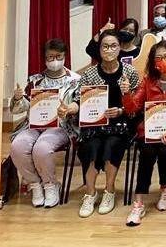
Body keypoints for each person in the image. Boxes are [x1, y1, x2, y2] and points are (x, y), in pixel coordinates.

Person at [121, 40, 166, 226]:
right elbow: (133, 108)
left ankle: (165, 188)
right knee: (147, 151)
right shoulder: (148, 80)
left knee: (165, 150)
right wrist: (126, 93)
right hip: (150, 130)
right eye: (158, 58)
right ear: (153, 62)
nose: (163, 60)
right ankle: (138, 203)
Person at [71, 29, 141, 218]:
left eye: (113, 46)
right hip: (95, 122)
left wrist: (121, 109)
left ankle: (109, 190)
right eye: (105, 46)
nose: (109, 50)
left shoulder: (130, 72)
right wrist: (70, 108)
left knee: (112, 144)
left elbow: (137, 104)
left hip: (121, 123)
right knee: (90, 147)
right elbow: (79, 100)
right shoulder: (90, 73)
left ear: (120, 48)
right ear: (99, 49)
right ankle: (90, 193)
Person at [9, 39, 80, 209]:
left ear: (65, 56)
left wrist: (69, 109)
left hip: (61, 125)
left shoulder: (75, 80)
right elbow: (23, 107)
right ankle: (35, 184)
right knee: (17, 146)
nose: (55, 60)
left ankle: (50, 184)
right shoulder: (35, 80)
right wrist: (18, 98)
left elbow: (79, 103)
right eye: (50, 57)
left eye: (58, 56)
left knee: (42, 147)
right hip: (34, 125)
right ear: (45, 58)